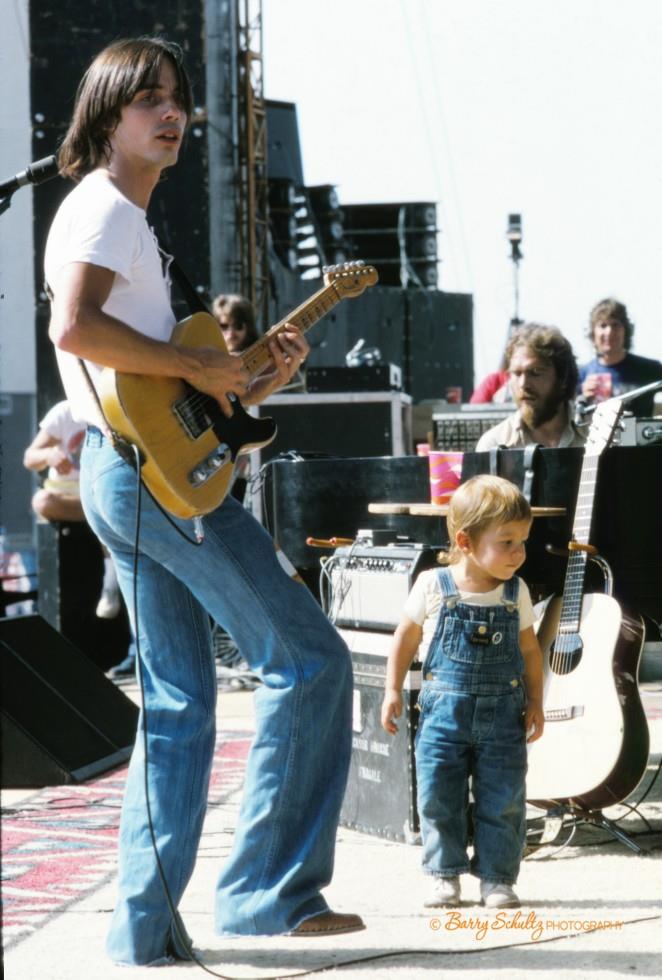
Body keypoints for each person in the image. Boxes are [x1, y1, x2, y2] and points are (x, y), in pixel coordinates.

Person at [45, 36, 363, 966]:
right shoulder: (105, 210)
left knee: (180, 705)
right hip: (149, 486)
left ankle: (142, 931)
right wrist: (201, 363)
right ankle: (267, 896)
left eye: (178, 97)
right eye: (149, 98)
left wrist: (249, 383)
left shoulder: (127, 223)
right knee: (309, 662)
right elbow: (76, 327)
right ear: (107, 112)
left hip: (134, 472)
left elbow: (175, 394)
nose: (172, 111)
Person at [381, 475, 544, 909]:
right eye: (507, 541)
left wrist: (537, 703)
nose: (519, 553)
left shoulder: (516, 592)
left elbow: (530, 650)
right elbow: (404, 638)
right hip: (442, 714)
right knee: (439, 796)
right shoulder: (434, 585)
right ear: (465, 542)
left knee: (503, 800)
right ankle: (443, 874)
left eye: (523, 541)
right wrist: (391, 689)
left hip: (503, 716)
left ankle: (497, 878)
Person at [23, 399, 122, 621]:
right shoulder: (64, 412)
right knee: (42, 501)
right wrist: (49, 456)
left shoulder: (112, 406)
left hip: (101, 492)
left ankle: (111, 581)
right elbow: (30, 458)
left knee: (107, 503)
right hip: (70, 497)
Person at [475, 323, 585, 450]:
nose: (523, 384)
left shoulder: (598, 435)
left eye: (536, 372)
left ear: (563, 378)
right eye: (516, 373)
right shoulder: (493, 444)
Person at [578, 298, 662, 416]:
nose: (609, 332)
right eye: (603, 325)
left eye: (615, 325)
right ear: (593, 333)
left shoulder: (650, 369)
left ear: (626, 331)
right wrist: (582, 398)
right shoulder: (582, 375)